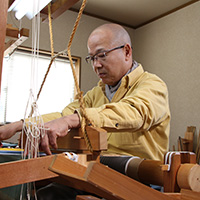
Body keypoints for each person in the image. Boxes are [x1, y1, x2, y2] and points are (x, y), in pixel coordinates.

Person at [0, 23, 170, 199]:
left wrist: (71, 120)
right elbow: (63, 115)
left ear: (127, 51)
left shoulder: (152, 85)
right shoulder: (96, 93)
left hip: (138, 179)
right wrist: (18, 125)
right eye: (92, 58)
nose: (96, 65)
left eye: (102, 55)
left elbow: (134, 112)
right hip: (98, 172)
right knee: (49, 195)